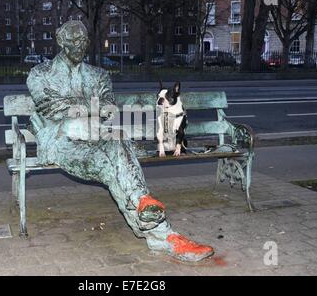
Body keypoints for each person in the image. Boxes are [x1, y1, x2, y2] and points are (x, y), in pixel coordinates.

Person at [26, 20, 214, 262]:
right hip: (61, 141)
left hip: (98, 137)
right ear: (61, 42)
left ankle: (152, 216)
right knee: (113, 164)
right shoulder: (40, 74)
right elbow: (51, 108)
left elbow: (107, 107)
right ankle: (162, 234)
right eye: (74, 41)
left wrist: (84, 111)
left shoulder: (98, 75)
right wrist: (88, 111)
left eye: (83, 40)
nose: (80, 45)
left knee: (118, 143)